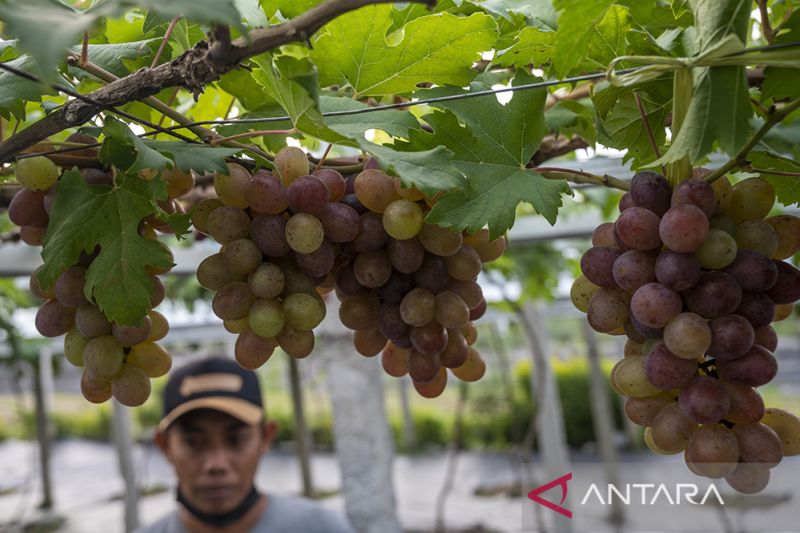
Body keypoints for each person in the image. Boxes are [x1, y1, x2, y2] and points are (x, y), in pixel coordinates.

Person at [135, 356, 355, 533]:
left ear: (266, 437)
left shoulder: (323, 527)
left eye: (236, 439)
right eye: (193, 442)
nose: (216, 464)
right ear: (164, 446)